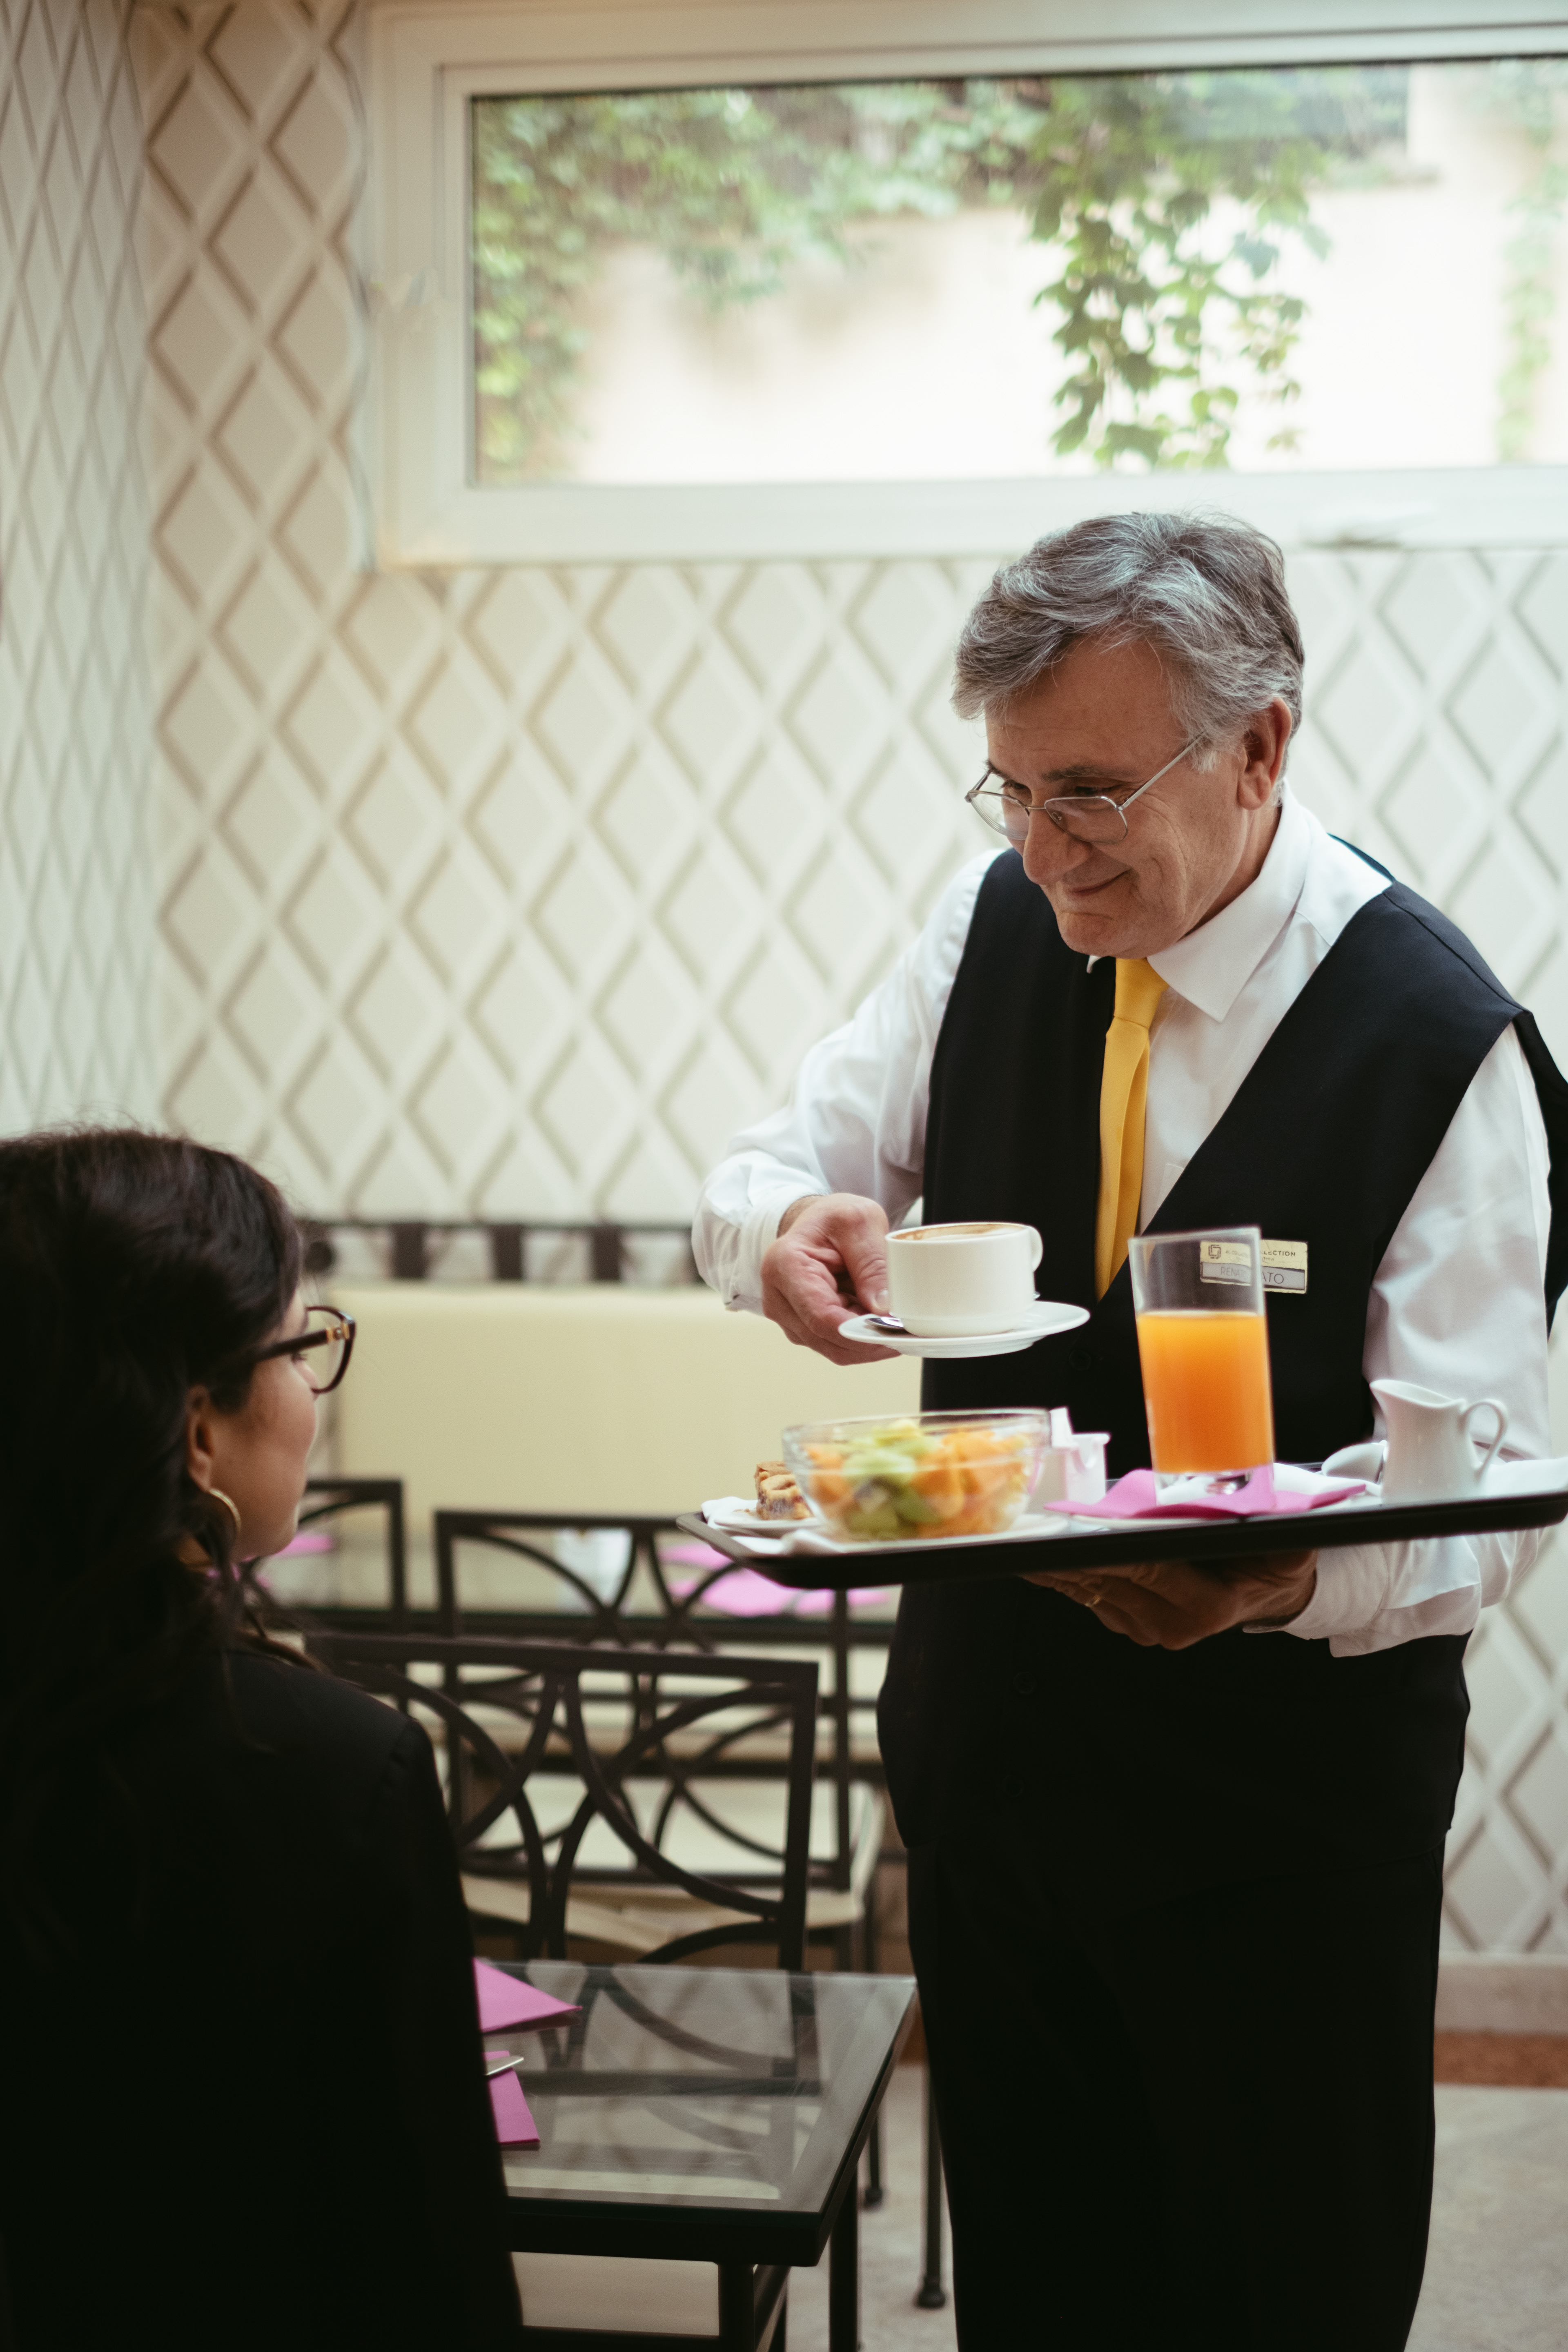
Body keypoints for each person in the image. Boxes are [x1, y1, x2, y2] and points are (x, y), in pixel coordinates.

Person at [694, 512, 1568, 2352]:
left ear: (1260, 746)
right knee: (1041, 2302)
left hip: (1278, 1834)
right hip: (994, 1783)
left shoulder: (1442, 1043)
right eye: (1008, 790)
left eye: (1090, 792)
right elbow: (777, 1160)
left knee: (1280, 2303)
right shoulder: (993, 923)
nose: (1041, 849)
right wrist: (777, 1231)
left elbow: (1481, 1502)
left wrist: (1273, 1588)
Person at [0, 1129, 520, 2350]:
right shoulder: (332, 1772)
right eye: (300, 1347)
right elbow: (431, 2272)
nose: (312, 1396)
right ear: (196, 1432)